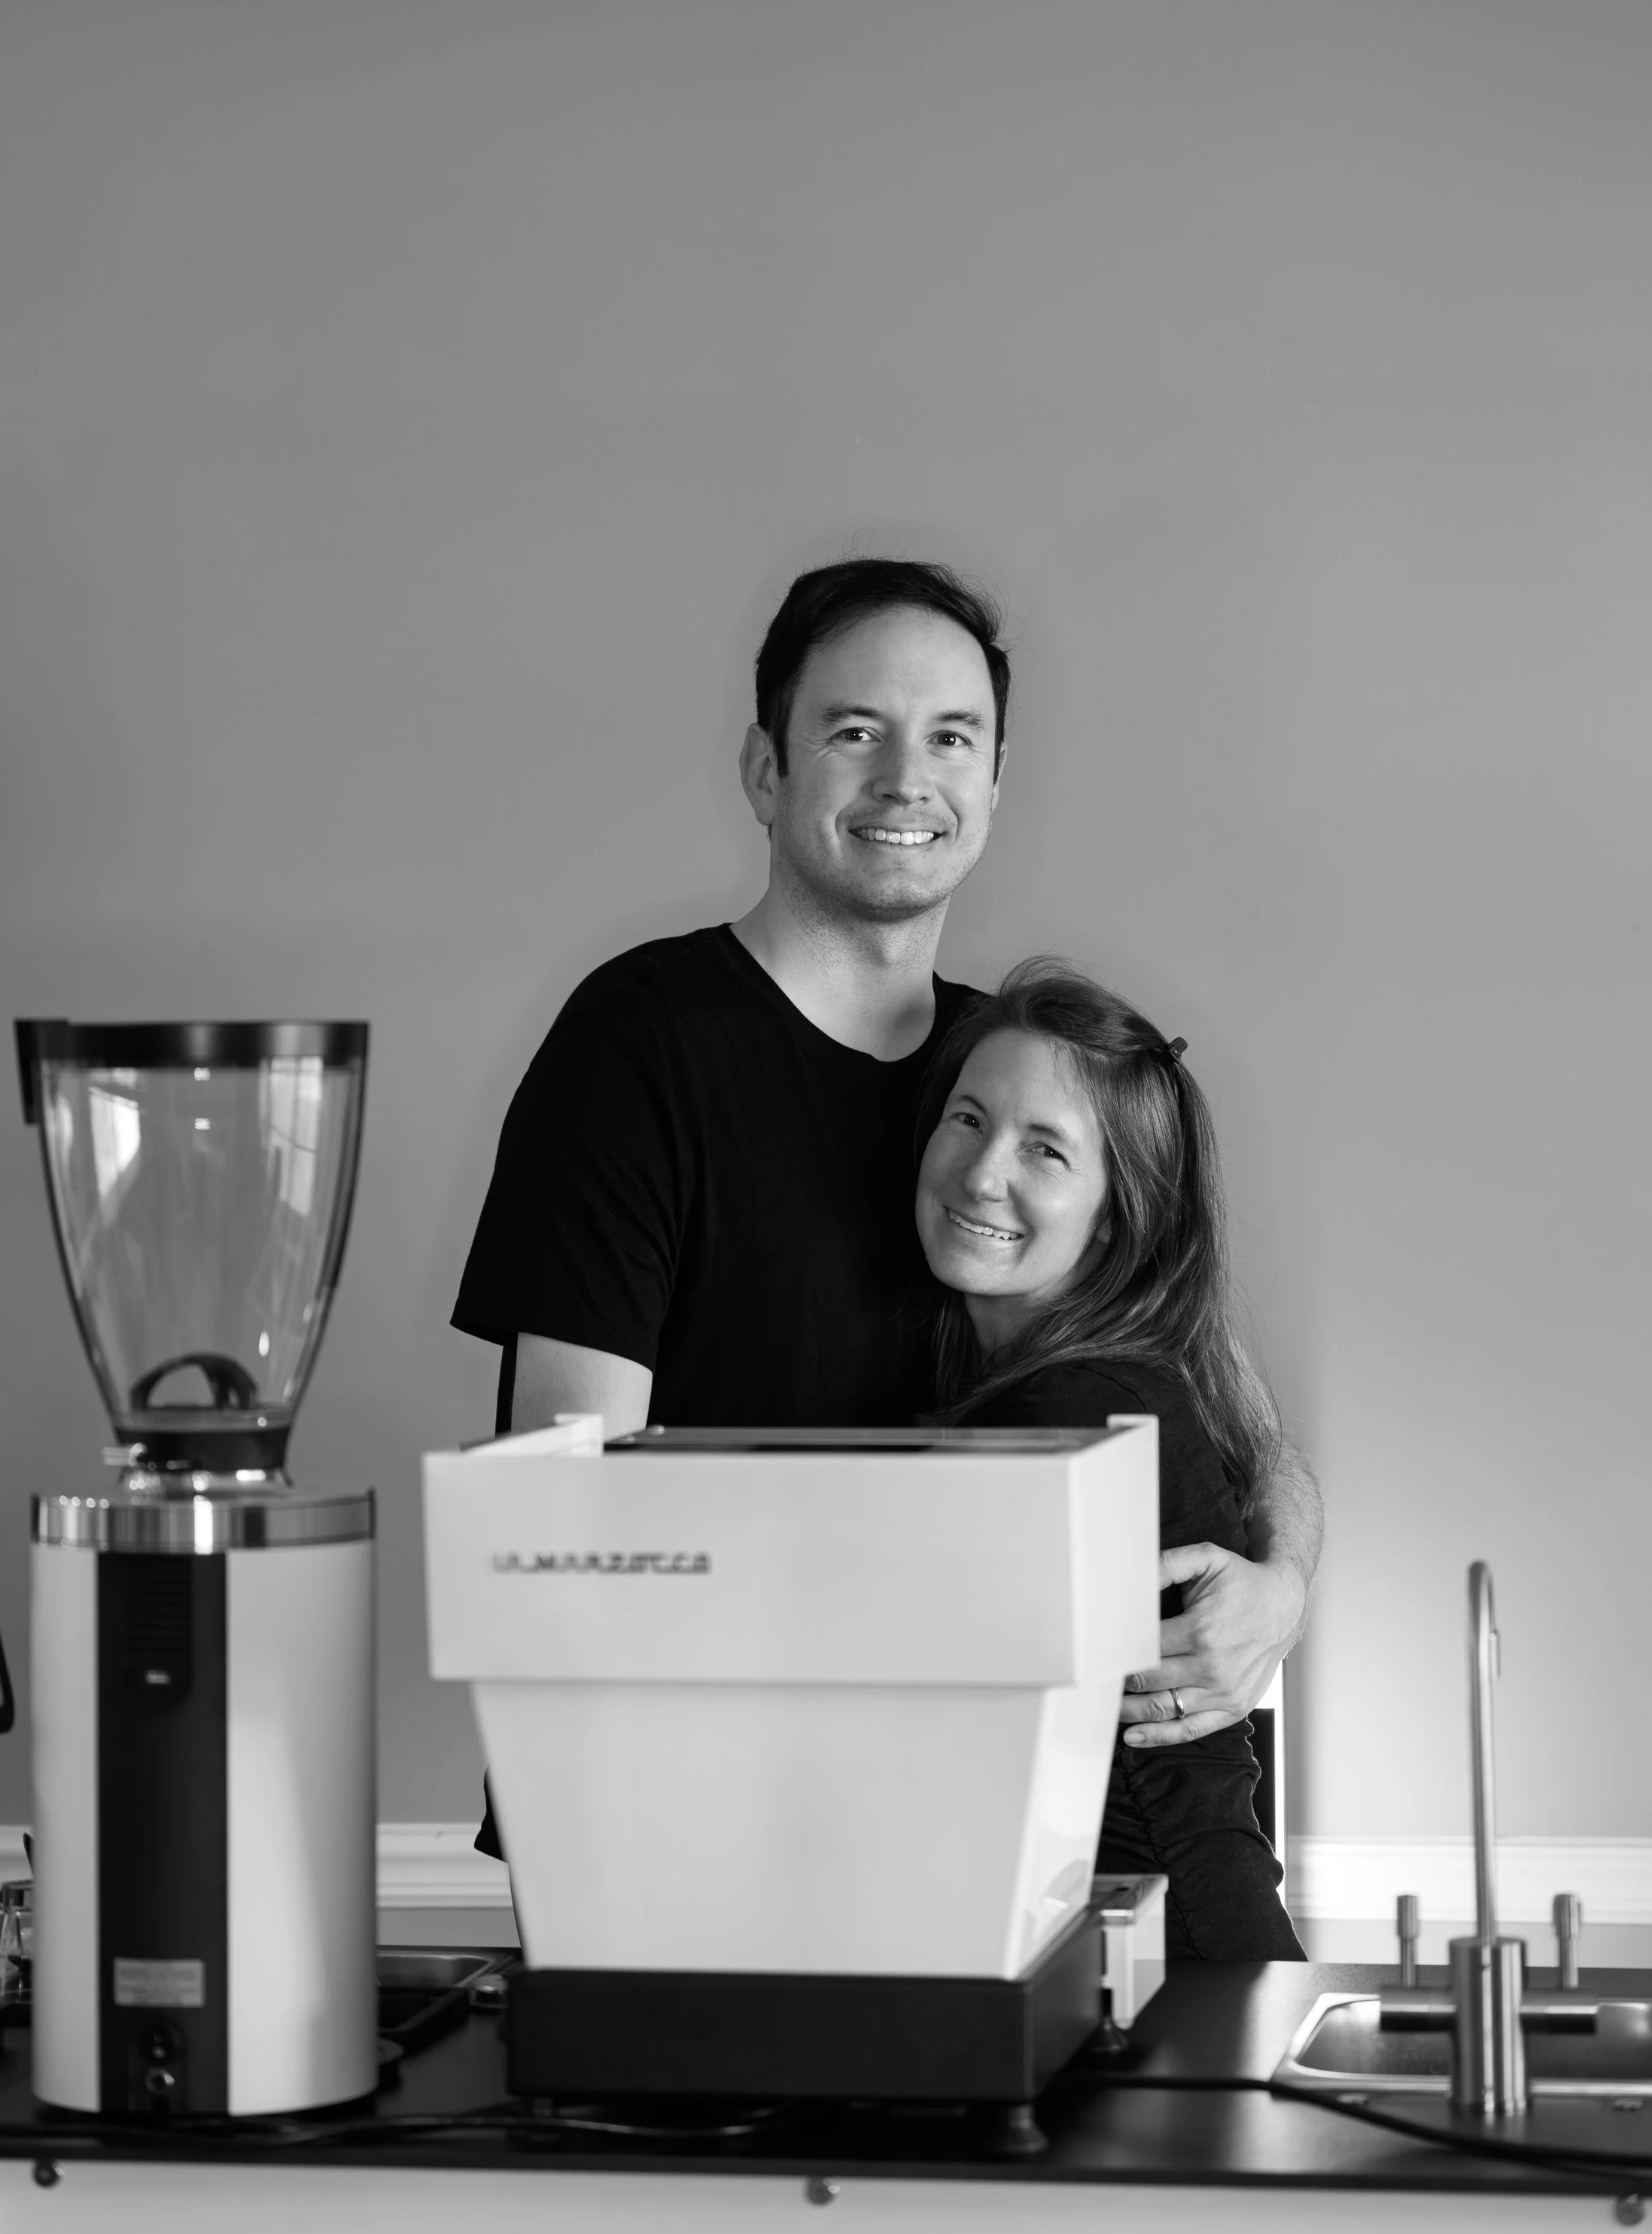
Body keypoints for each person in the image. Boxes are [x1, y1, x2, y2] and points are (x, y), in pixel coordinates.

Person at [454, 558, 1322, 1859]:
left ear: (992, 782)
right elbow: (561, 1525)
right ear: (766, 770)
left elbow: (1239, 1420)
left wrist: (1284, 1587)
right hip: (674, 1817)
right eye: (854, 730)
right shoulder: (638, 1046)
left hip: (952, 1845)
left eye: (951, 737)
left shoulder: (1012, 1072)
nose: (906, 778)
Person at [914, 958, 1304, 1959]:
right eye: (968, 1117)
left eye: (1046, 1149)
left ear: (1118, 1212)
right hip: (1165, 1955)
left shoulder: (1078, 1414)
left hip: (1166, 1976)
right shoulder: (1113, 1379)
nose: (982, 1170)